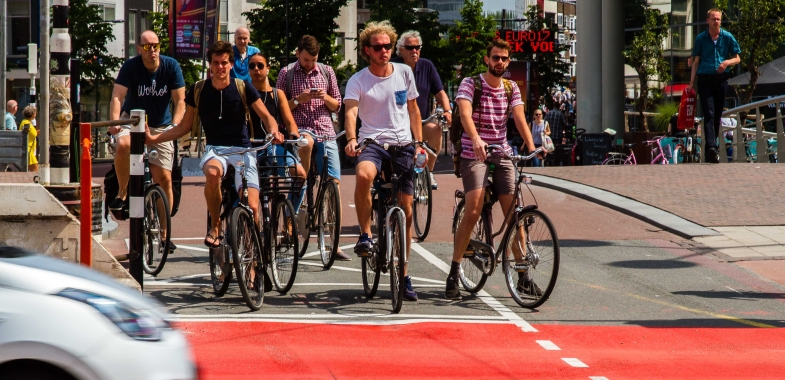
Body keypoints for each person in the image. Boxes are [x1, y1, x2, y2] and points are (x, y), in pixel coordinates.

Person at [146, 40, 282, 247]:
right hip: (215, 150)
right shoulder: (199, 90)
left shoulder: (242, 87)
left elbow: (266, 116)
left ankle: (253, 262)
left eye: (224, 62)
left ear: (231, 64)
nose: (220, 67)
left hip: (243, 150)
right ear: (210, 65)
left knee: (253, 207)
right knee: (211, 173)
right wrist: (155, 139)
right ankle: (216, 226)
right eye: (216, 63)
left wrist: (274, 130)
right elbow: (184, 127)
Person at [446, 39, 538, 300]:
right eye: (495, 57)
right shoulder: (470, 84)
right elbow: (464, 114)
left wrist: (533, 146)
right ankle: (453, 272)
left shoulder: (511, 88)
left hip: (501, 152)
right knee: (473, 208)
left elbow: (519, 117)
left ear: (508, 62)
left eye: (504, 58)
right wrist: (475, 139)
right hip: (472, 152)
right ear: (487, 60)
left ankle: (523, 277)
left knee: (514, 213)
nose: (499, 62)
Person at [344, 21, 423, 301]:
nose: (384, 51)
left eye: (388, 46)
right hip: (372, 143)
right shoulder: (358, 80)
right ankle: (366, 236)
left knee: (408, 210)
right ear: (367, 50)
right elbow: (351, 113)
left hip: (402, 145)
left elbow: (413, 110)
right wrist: (352, 139)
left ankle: (404, 276)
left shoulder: (404, 73)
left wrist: (419, 143)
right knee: (364, 175)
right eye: (378, 47)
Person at [107, 30, 185, 252]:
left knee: (164, 179)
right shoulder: (131, 67)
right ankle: (123, 193)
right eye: (147, 46)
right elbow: (117, 96)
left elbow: (180, 101)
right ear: (139, 48)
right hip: (132, 120)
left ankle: (165, 233)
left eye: (156, 46)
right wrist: (114, 122)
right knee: (122, 145)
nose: (152, 50)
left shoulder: (171, 67)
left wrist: (174, 126)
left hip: (161, 125)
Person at [277, 35, 350, 260]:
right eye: (307, 59)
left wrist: (325, 97)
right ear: (298, 53)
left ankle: (333, 241)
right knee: (306, 144)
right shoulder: (286, 73)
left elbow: (338, 105)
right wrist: (299, 99)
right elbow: (280, 107)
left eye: (313, 60)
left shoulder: (326, 71)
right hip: (301, 129)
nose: (310, 64)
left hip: (326, 131)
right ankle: (292, 212)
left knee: (334, 185)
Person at [390, 30, 452, 189]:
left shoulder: (427, 66)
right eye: (410, 48)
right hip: (396, 124)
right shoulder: (392, 66)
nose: (414, 51)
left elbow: (440, 92)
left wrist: (447, 111)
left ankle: (428, 173)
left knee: (435, 129)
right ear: (400, 50)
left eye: (417, 47)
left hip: (420, 122)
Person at [689, 8, 740, 163]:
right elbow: (695, 62)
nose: (716, 22)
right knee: (709, 113)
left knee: (717, 115)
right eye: (713, 19)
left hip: (721, 79)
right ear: (708, 21)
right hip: (704, 79)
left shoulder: (727, 37)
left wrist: (726, 62)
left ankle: (711, 150)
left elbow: (737, 58)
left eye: (718, 19)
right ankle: (711, 146)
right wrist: (691, 84)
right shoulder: (701, 38)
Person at [20, 105, 38, 172]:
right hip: (28, 150)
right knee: (35, 170)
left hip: (30, 150)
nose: (36, 114)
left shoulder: (27, 122)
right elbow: (32, 134)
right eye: (35, 113)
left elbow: (32, 134)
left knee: (34, 169)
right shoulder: (26, 123)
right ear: (33, 114)